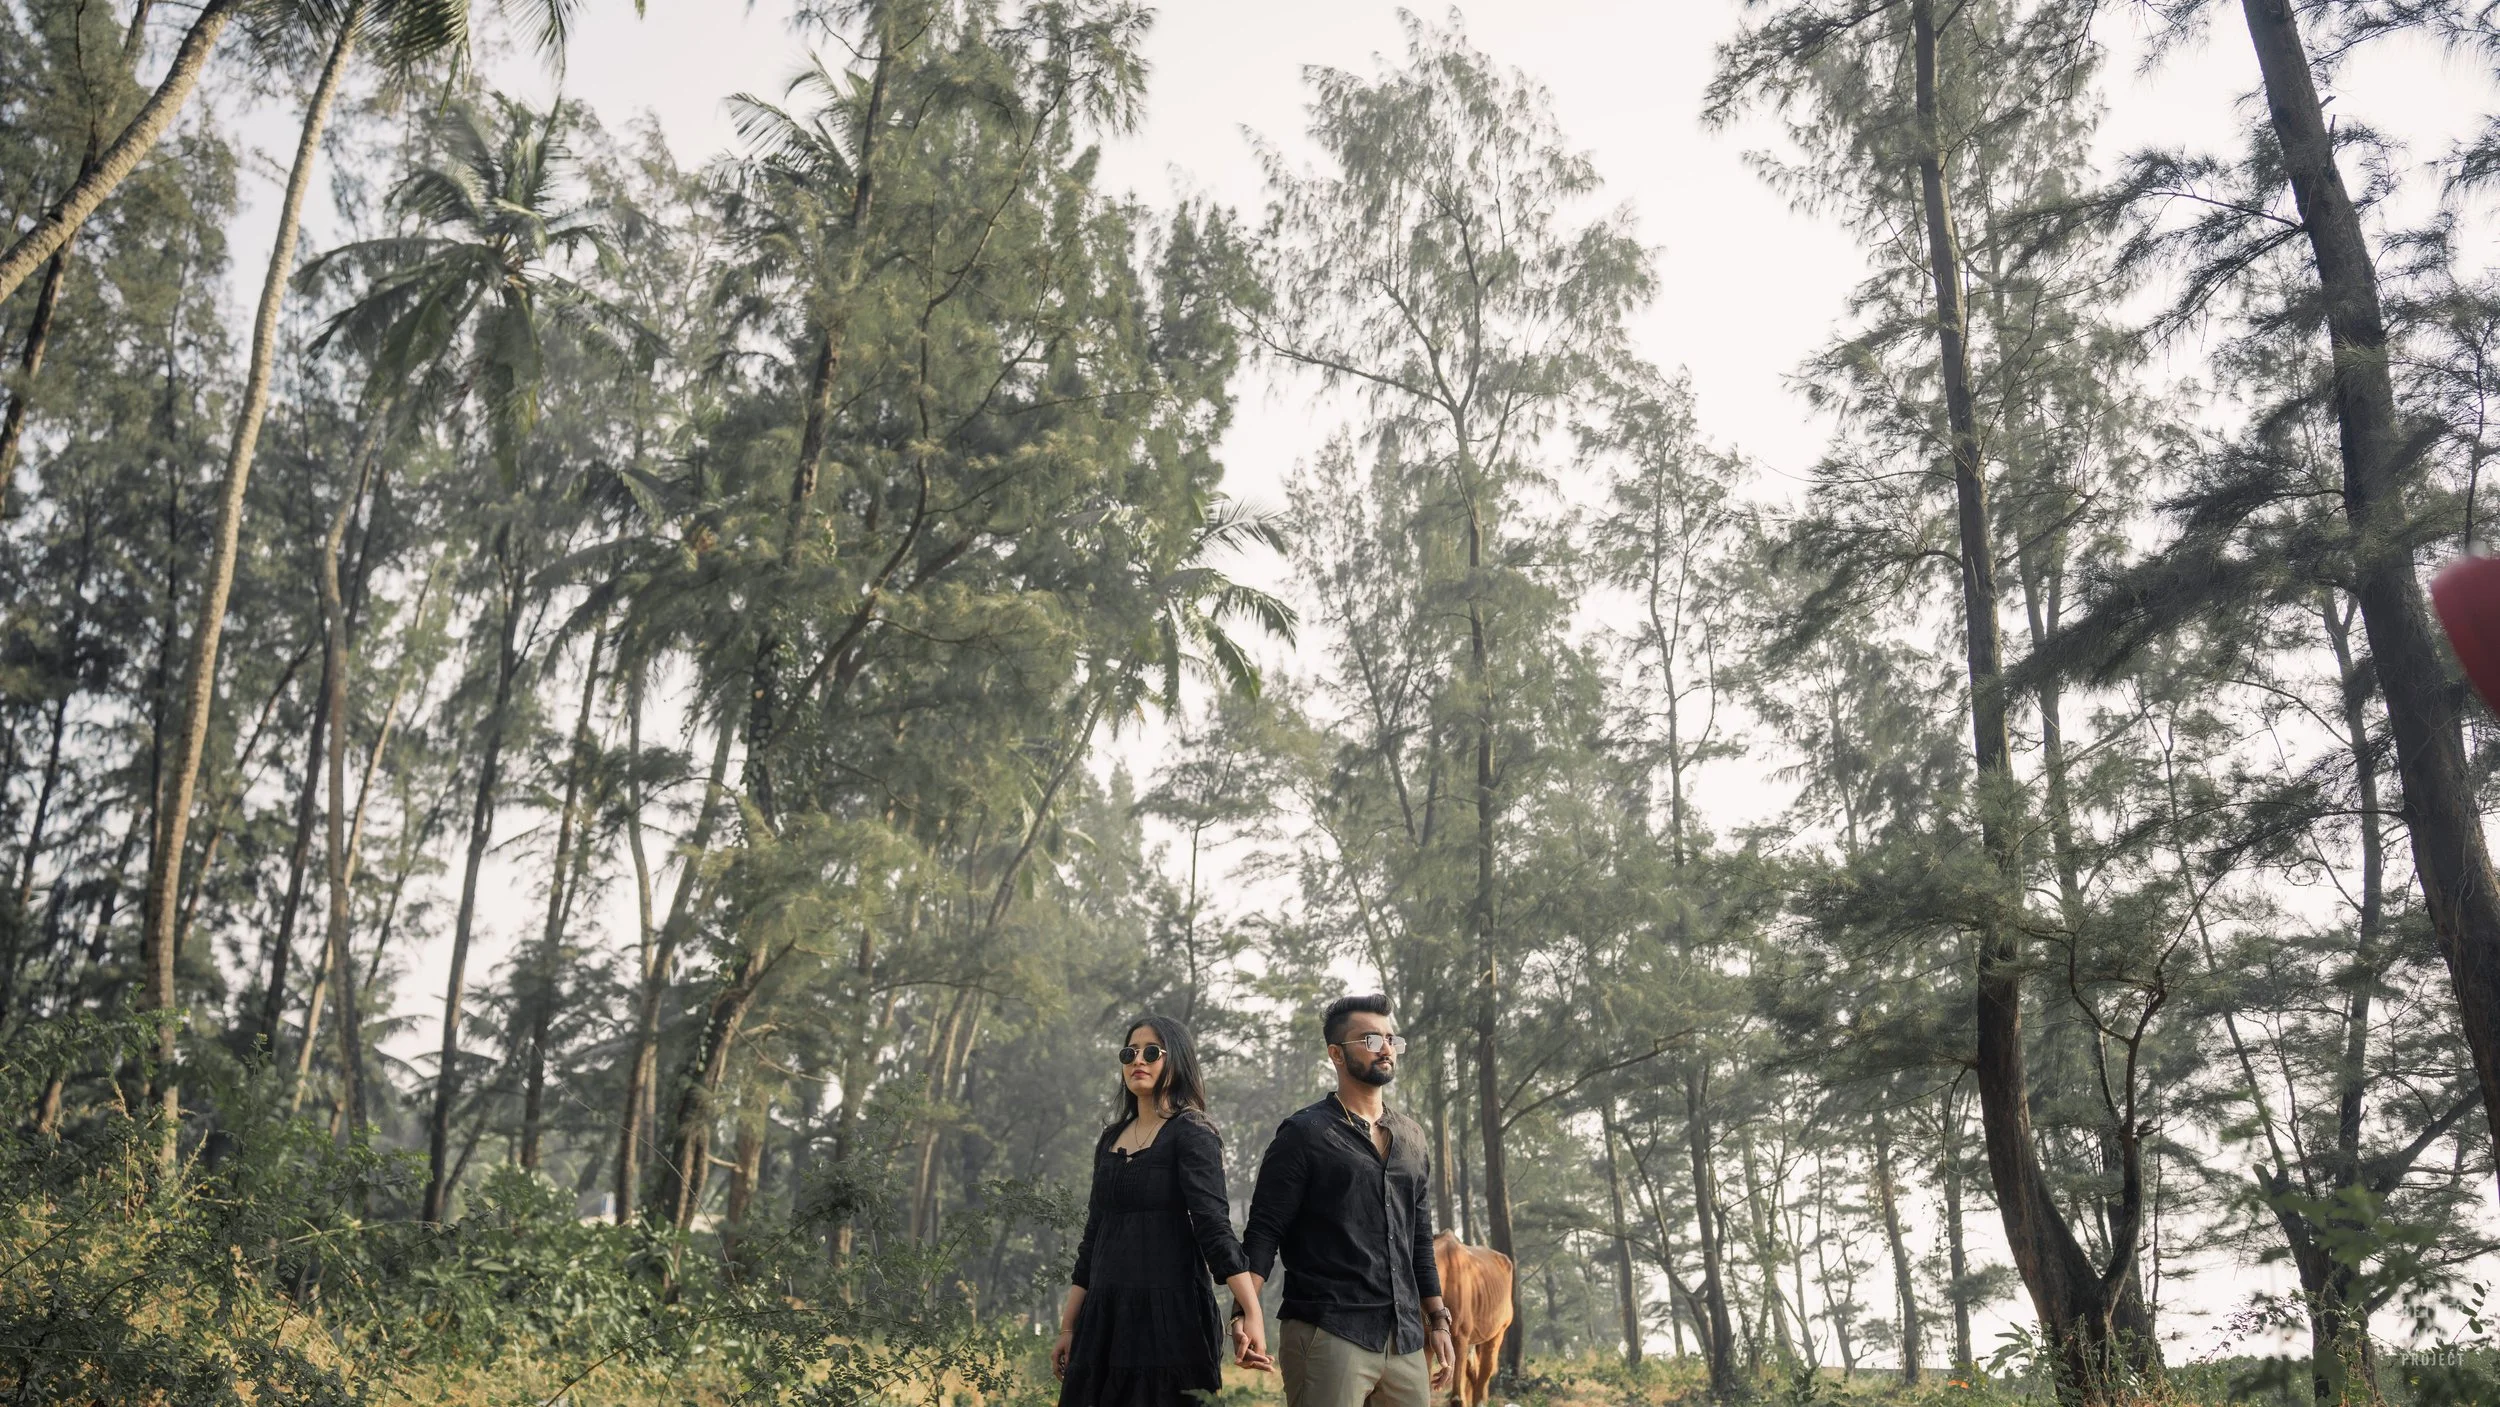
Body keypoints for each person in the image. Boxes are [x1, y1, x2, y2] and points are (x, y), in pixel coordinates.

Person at [1240, 994, 1458, 1407]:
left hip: (1406, 1340)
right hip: (1329, 1331)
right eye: (1371, 1040)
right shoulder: (1304, 1134)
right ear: (1336, 1054)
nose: (1386, 1048)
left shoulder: (1412, 1137)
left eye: (1391, 1039)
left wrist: (1439, 1321)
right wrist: (1244, 1313)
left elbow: (1418, 1241)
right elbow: (1264, 1232)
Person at [1055, 1013, 1273, 1407]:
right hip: (1105, 1318)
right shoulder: (1110, 1139)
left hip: (1170, 1318)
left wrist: (1252, 1313)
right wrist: (1069, 1327)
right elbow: (1093, 1237)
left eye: (1152, 1052)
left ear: (1177, 1061)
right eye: (1130, 1053)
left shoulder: (1192, 1132)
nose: (1138, 1060)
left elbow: (1214, 1228)